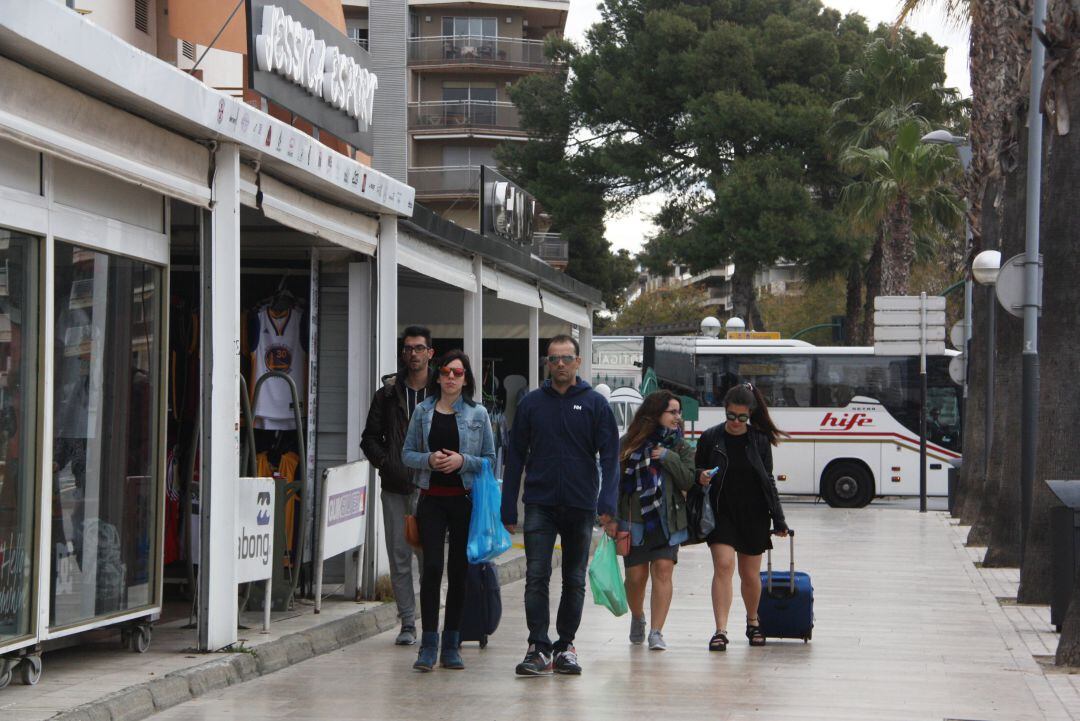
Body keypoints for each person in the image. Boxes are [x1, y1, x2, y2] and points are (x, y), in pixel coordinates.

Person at [501, 334, 620, 676]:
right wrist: (508, 507)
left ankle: (565, 645)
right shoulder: (531, 404)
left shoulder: (595, 404)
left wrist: (607, 501)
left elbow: (611, 457)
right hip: (539, 502)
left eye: (567, 358)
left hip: (581, 504)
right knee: (536, 575)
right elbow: (514, 457)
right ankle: (538, 646)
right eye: (554, 359)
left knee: (574, 578)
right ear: (547, 363)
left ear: (578, 361)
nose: (560, 365)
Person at [401, 350, 495, 672]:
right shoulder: (423, 412)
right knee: (431, 568)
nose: (451, 378)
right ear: (438, 376)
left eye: (457, 373)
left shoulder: (478, 414)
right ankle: (428, 643)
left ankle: (452, 643)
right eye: (446, 372)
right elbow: (407, 454)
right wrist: (428, 460)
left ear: (466, 378)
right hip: (431, 499)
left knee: (458, 571)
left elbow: (490, 459)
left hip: (464, 500)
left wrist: (461, 462)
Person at [695, 382, 789, 651]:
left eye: (742, 417)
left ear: (750, 415)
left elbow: (767, 480)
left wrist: (779, 519)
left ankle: (752, 621)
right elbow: (696, 469)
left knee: (750, 574)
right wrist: (699, 476)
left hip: (754, 513)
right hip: (721, 512)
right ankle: (720, 630)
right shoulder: (711, 438)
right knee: (723, 566)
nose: (735, 422)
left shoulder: (758, 440)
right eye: (731, 416)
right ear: (724, 411)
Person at [360, 325, 434, 646]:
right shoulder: (388, 394)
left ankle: (432, 623)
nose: (413, 354)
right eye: (408, 349)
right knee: (400, 557)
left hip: (432, 488)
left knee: (429, 559)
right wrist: (388, 463)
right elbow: (368, 439)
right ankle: (407, 623)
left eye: (419, 348)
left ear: (430, 352)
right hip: (395, 486)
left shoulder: (442, 391)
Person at [617, 390, 696, 651]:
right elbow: (613, 482)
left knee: (663, 570)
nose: (678, 417)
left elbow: (688, 479)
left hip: (667, 520)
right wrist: (608, 518)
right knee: (635, 578)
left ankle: (656, 631)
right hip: (635, 520)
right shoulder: (629, 443)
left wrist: (667, 457)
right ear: (655, 414)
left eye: (678, 412)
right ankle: (638, 616)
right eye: (672, 412)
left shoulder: (681, 446)